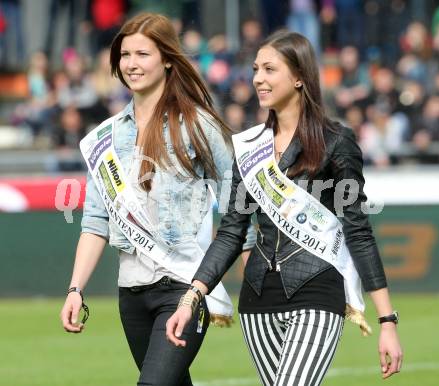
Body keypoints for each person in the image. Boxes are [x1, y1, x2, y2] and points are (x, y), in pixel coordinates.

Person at [166, 30, 403, 386]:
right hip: (258, 301)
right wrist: (192, 296)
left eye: (269, 69)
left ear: (298, 77)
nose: (258, 78)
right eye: (256, 69)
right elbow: (232, 231)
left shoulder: (336, 142)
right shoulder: (249, 147)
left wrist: (387, 322)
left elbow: (358, 231)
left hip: (318, 292)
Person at [60, 13, 255, 386]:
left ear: (167, 58)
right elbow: (95, 222)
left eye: (143, 54)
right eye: (125, 54)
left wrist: (256, 280)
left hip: (184, 286)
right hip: (131, 291)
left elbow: (238, 209)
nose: (132, 63)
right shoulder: (105, 137)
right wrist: (75, 289)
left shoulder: (199, 126)